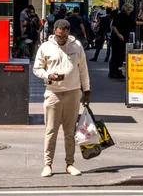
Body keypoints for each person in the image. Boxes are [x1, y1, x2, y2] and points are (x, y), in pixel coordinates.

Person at [33, 19, 90, 177]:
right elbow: (37, 69)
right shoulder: (45, 47)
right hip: (53, 92)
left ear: (68, 33)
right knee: (51, 131)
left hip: (73, 92)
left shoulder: (77, 46)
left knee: (69, 131)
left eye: (64, 36)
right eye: (58, 36)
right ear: (54, 32)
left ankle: (70, 164)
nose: (61, 39)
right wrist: (48, 75)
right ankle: (47, 164)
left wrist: (87, 90)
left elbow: (83, 70)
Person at [109, 4, 134, 79]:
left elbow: (133, 24)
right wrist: (118, 34)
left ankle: (118, 72)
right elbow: (113, 26)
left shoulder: (128, 17)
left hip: (123, 38)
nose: (129, 12)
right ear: (125, 9)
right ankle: (113, 72)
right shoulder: (118, 16)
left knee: (121, 55)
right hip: (117, 39)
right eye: (129, 10)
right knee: (116, 55)